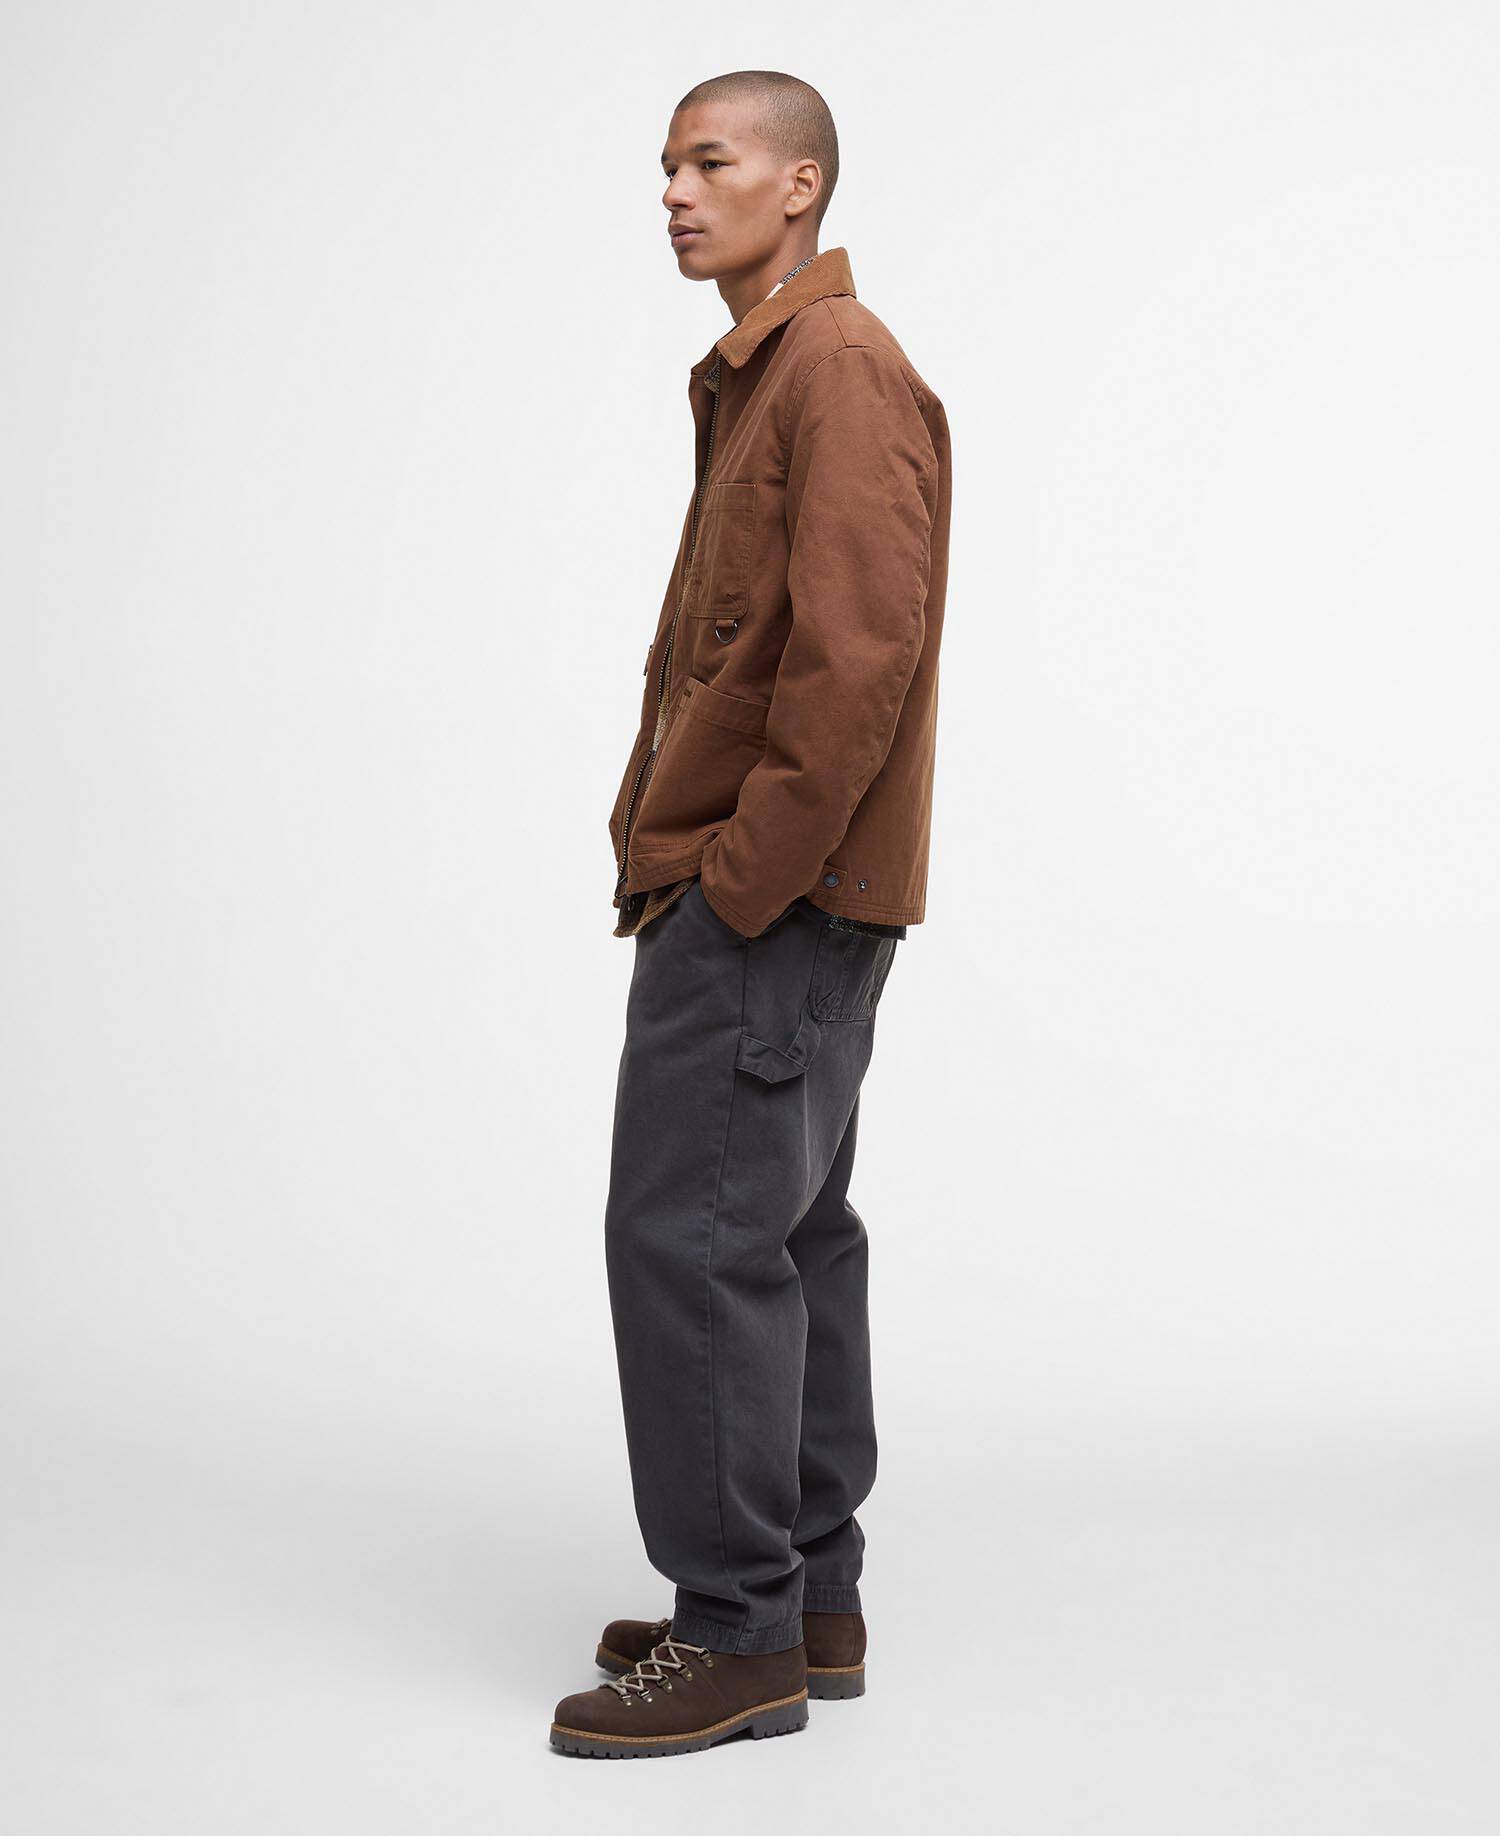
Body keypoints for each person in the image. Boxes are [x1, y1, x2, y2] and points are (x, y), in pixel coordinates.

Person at [550, 69, 952, 1760]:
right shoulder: (770, 371)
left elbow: (859, 660)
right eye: (666, 165)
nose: (673, 191)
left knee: (695, 1243)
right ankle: (807, 1600)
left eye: (708, 161)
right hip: (776, 897)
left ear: (800, 185)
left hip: (767, 903)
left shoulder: (837, 369)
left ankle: (736, 1636)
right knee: (784, 1238)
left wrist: (735, 883)